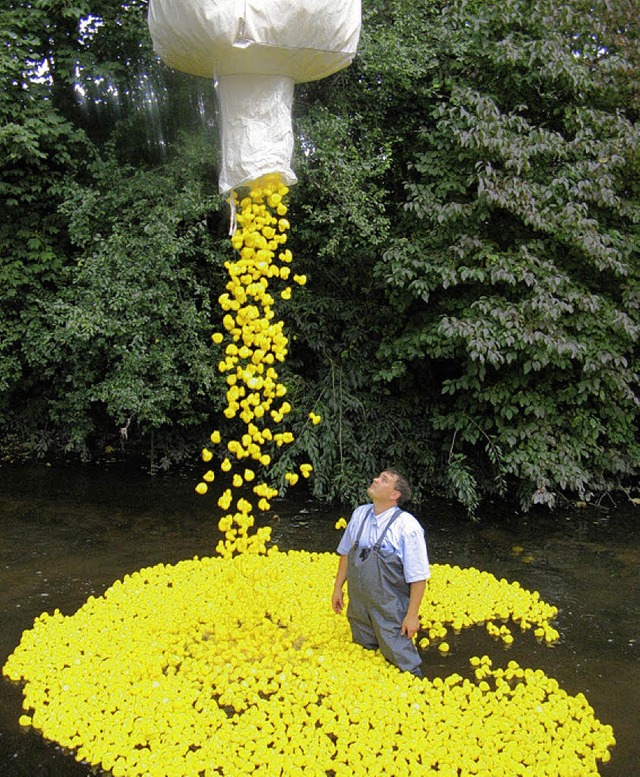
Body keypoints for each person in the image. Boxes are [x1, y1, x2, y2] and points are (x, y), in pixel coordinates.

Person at [331, 469, 430, 677]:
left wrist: (411, 616)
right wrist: (338, 588)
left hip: (389, 607)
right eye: (378, 476)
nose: (375, 479)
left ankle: (416, 684)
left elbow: (419, 576)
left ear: (395, 495)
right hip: (359, 605)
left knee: (400, 656)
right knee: (363, 650)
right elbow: (346, 553)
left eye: (384, 480)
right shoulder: (359, 514)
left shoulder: (407, 527)